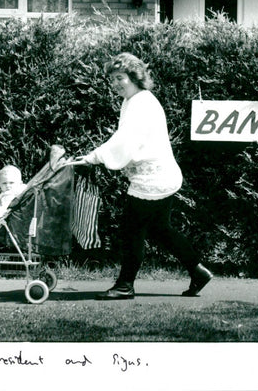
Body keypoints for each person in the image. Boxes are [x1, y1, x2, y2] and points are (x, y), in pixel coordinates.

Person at [74, 52, 212, 300]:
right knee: (161, 230)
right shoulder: (134, 100)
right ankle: (197, 270)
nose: (115, 84)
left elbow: (124, 140)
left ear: (135, 77)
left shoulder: (141, 102)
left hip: (153, 179)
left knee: (131, 231)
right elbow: (125, 141)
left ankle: (125, 285)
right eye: (112, 79)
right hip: (159, 175)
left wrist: (93, 157)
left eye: (120, 78)